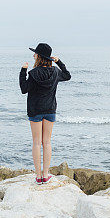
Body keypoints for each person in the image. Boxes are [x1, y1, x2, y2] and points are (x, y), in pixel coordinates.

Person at [19, 43, 71, 184]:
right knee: (47, 142)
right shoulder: (55, 72)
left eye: (35, 53)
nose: (33, 55)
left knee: (37, 142)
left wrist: (23, 71)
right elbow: (67, 76)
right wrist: (59, 62)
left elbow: (24, 89)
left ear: (39, 56)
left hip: (35, 110)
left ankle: (38, 176)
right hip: (50, 110)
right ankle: (46, 174)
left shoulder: (33, 73)